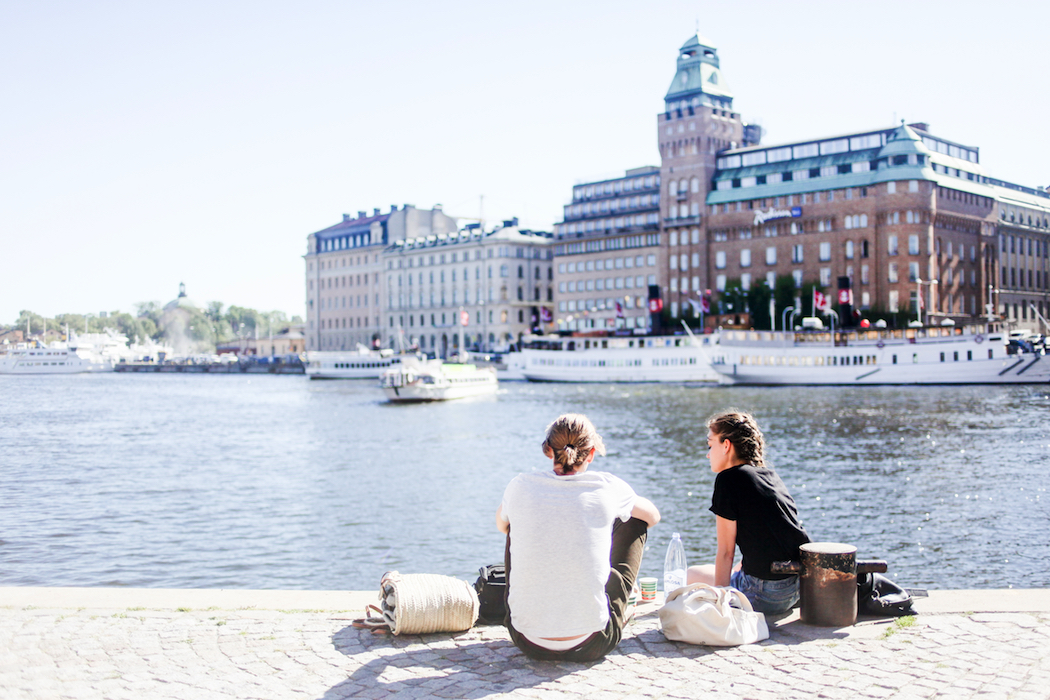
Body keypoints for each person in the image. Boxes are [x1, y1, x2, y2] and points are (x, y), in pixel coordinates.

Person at [496, 413, 660, 661]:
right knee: (634, 519)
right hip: (592, 642)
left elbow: (501, 525)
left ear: (548, 450)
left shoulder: (520, 485)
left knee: (513, 524)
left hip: (526, 640)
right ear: (591, 453)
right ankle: (620, 605)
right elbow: (652, 516)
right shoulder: (607, 486)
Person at [686, 410, 809, 614]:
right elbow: (769, 532)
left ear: (726, 445)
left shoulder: (728, 480)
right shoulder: (769, 475)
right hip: (797, 588)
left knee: (692, 574)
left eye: (710, 445)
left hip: (764, 594)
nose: (708, 454)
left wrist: (720, 601)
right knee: (734, 570)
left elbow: (726, 552)